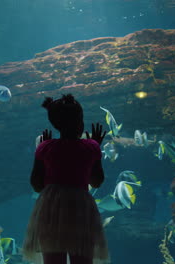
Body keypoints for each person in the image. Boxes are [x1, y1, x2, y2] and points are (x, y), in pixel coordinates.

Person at [23, 94, 110, 264]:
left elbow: (36, 185)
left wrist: (44, 148)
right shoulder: (91, 147)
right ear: (80, 122)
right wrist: (95, 148)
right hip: (80, 209)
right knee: (82, 257)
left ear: (55, 124)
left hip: (51, 208)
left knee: (53, 259)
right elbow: (96, 182)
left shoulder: (45, 148)